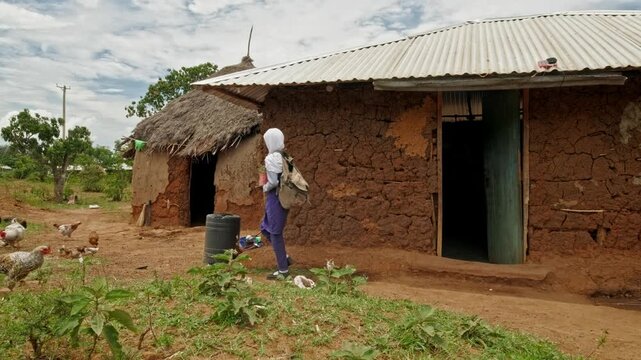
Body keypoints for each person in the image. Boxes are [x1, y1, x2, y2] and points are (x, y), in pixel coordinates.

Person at [260, 128, 292, 280]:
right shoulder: (284, 156)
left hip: (275, 197)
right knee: (265, 227)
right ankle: (284, 258)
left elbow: (273, 182)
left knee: (275, 232)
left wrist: (264, 187)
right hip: (283, 197)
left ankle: (283, 271)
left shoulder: (272, 158)